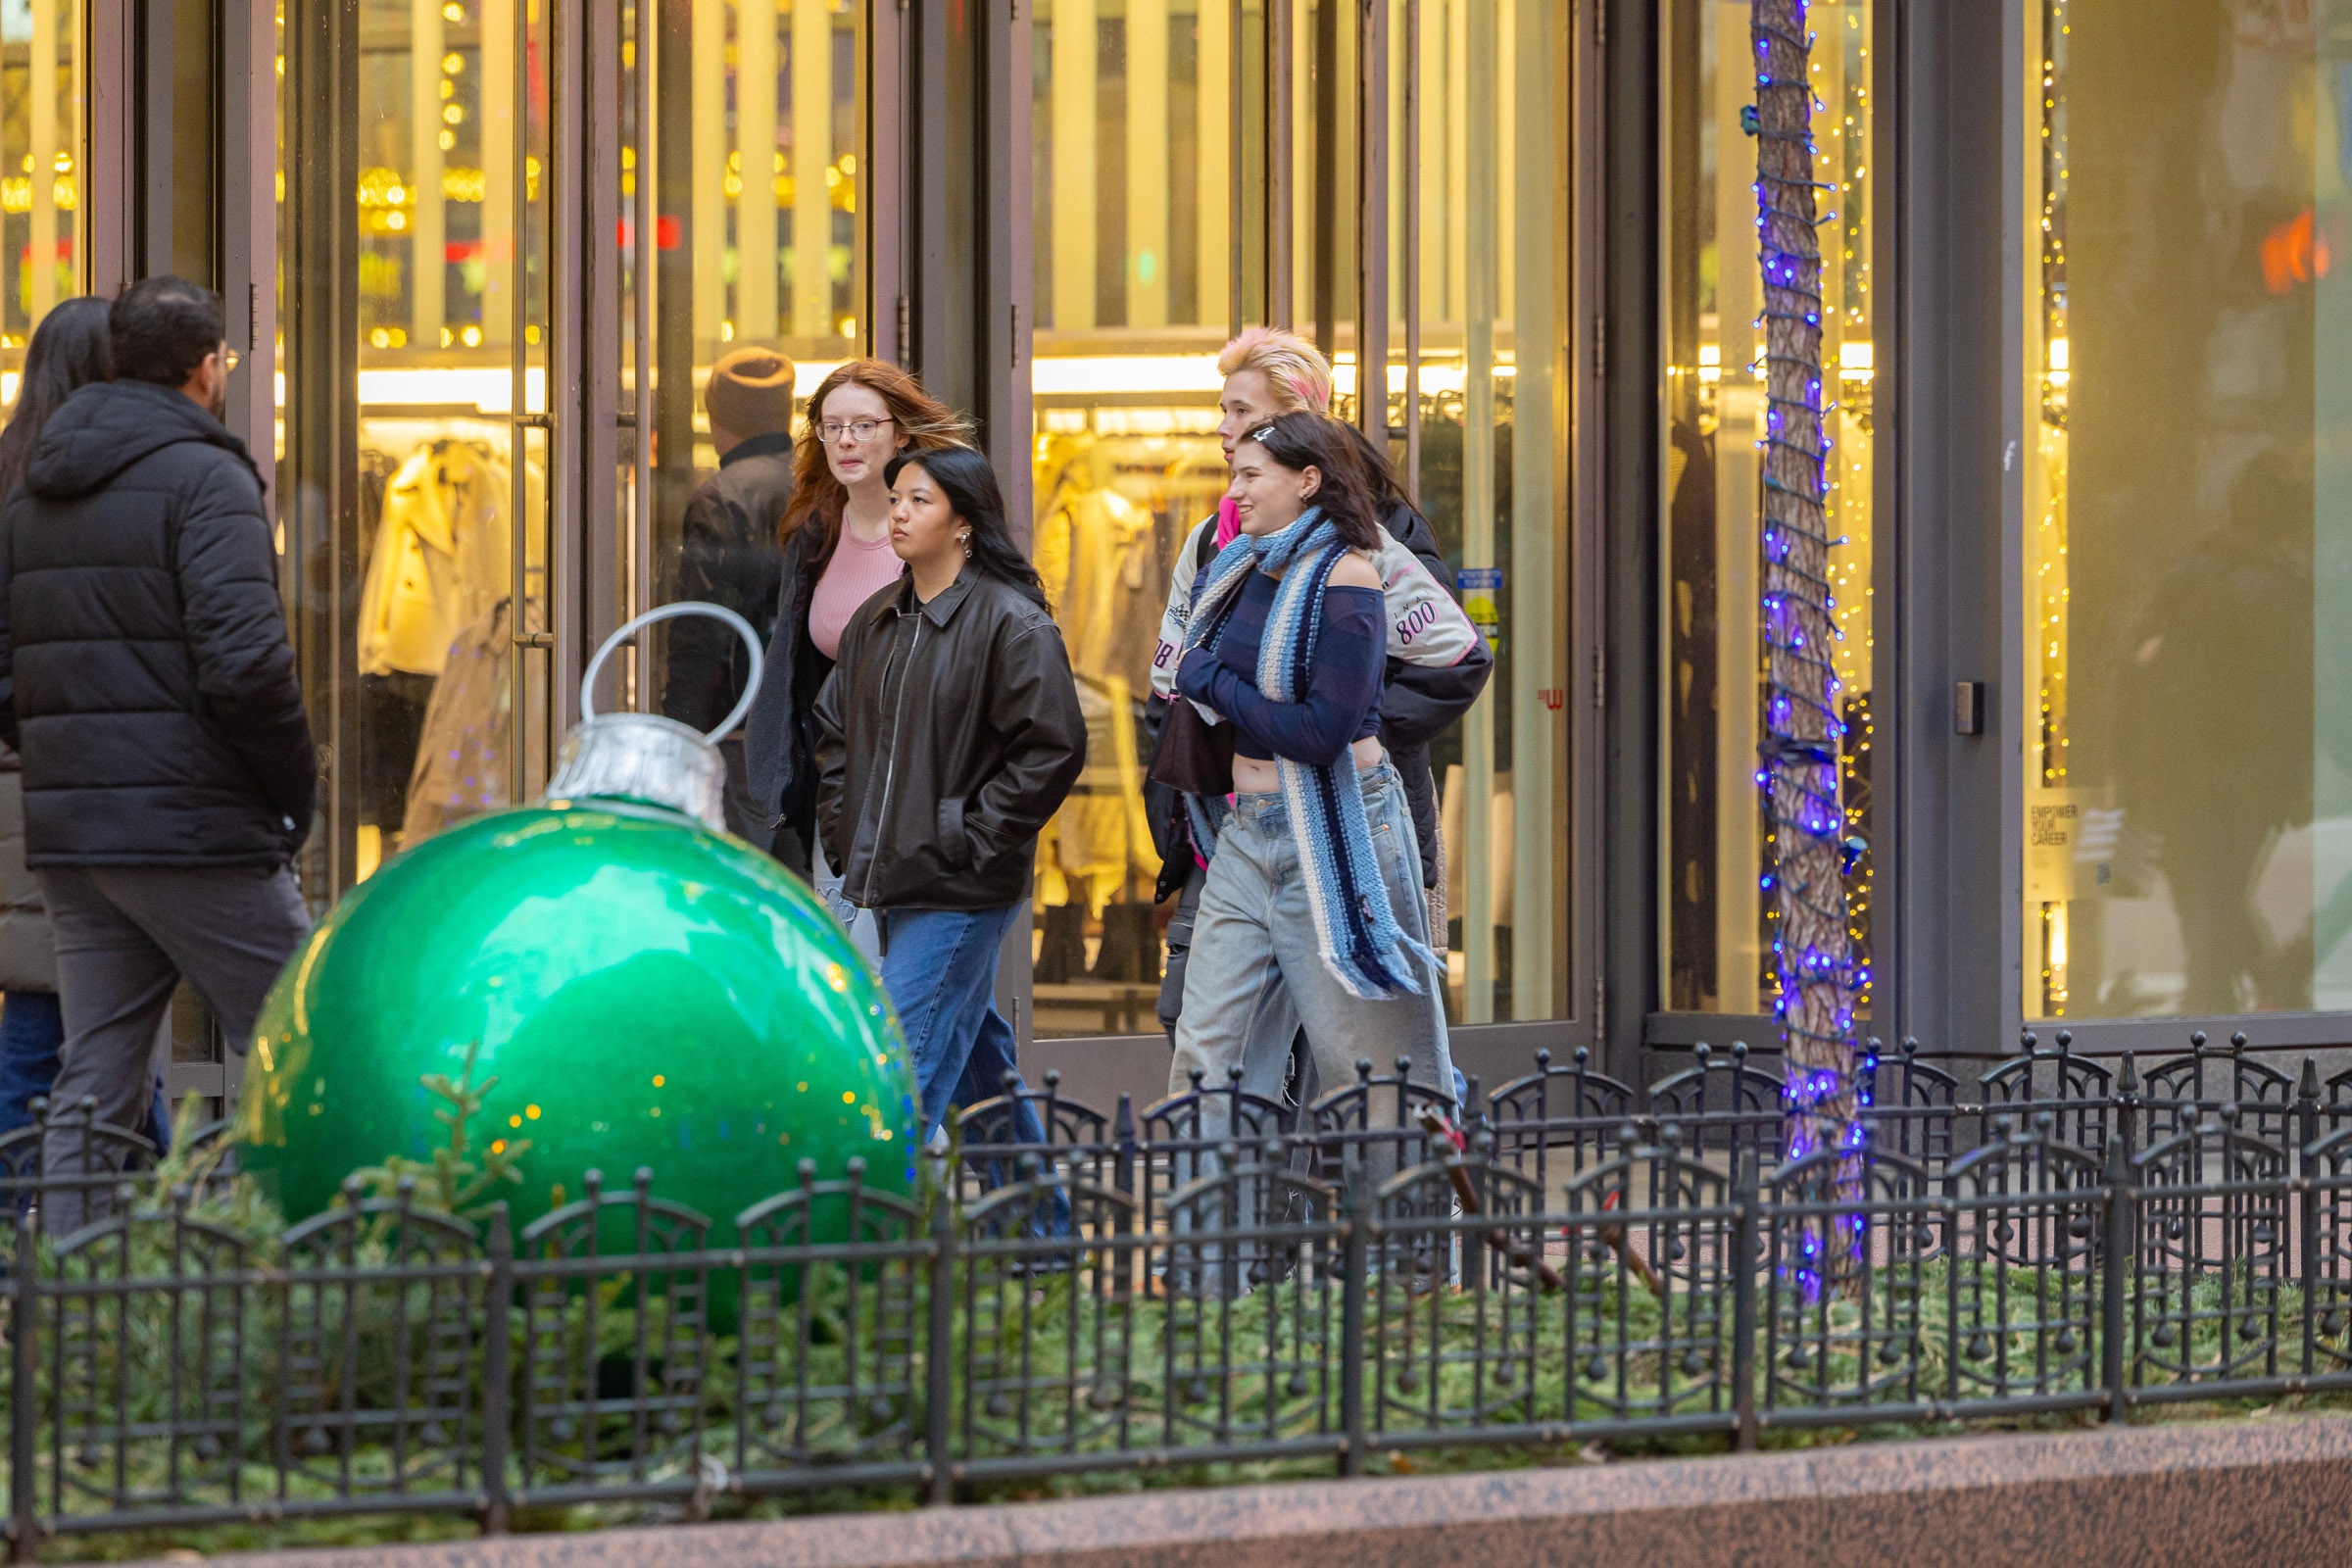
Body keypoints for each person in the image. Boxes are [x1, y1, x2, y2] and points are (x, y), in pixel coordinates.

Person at [0, 277, 315, 1229]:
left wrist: (72, 754)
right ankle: (343, 1269)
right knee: (313, 1038)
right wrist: (295, 791)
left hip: (77, 836)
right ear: (208, 364)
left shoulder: (36, 487)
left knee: (95, 1070)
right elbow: (248, 664)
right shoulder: (204, 474)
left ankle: (68, 1306)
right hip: (195, 829)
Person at [1148, 326, 1488, 1104]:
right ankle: (1232, 1222)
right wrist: (1176, 789)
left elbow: (1451, 660)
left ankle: (1403, 1212)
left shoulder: (1370, 538)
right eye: (1222, 411)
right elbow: (1171, 680)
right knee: (1205, 1048)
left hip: (1345, 818)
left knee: (1366, 1059)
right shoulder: (1216, 541)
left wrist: (1343, 727)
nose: (1223, 429)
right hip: (1234, 824)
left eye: (1242, 414)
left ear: (1301, 438)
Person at [812, 444, 1086, 1141]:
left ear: (963, 521)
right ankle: (1040, 1240)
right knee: (979, 1068)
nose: (898, 513)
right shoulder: (877, 619)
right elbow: (834, 732)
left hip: (961, 886)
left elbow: (1052, 748)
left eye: (919, 501)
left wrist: (969, 836)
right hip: (897, 872)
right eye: (896, 497)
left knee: (895, 1075)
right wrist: (847, 830)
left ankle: (871, 1235)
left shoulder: (1009, 622)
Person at [0, 298, 174, 1150]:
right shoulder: (115, 484)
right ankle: (116, 1232)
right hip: (88, 785)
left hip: (32, 781)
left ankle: (57, 1230)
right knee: (87, 1020)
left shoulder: (12, 478)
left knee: (58, 1015)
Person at [744, 360, 968, 957]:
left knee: (896, 976)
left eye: (865, 425)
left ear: (901, 434)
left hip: (921, 787)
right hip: (837, 786)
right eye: (831, 426)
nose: (845, 440)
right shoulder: (813, 530)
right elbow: (794, 668)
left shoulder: (936, 527)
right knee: (851, 962)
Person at [661, 345, 799, 845]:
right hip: (815, 724)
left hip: (739, 725)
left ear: (717, 417)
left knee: (742, 873)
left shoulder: (720, 495)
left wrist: (679, 729)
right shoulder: (822, 483)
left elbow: (701, 626)